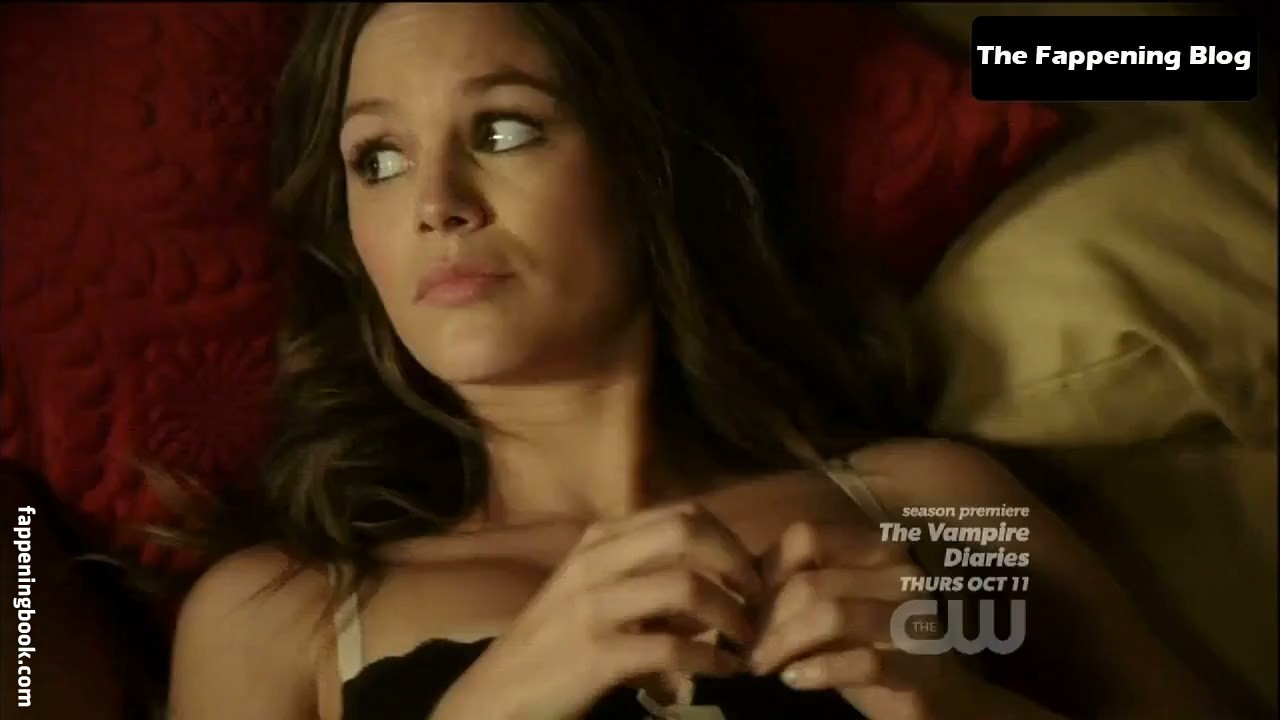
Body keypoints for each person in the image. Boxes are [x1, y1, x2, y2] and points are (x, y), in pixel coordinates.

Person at [167, 4, 1217, 719]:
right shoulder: (278, 615)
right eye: (379, 158)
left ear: (649, 165)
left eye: (504, 129)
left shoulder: (936, 509)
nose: (434, 201)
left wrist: (961, 710)